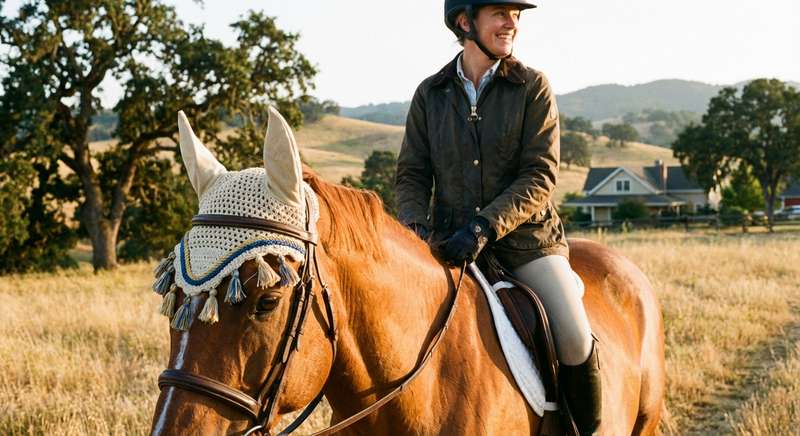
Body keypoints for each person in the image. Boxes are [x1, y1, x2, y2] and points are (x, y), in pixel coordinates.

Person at [395, 1, 601, 434]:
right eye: (500, 13)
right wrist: (416, 232)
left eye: (517, 15)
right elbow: (412, 176)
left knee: (575, 336)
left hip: (526, 244)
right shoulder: (430, 94)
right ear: (466, 22)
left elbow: (540, 174)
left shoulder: (532, 87)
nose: (512, 23)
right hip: (448, 248)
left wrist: (484, 226)